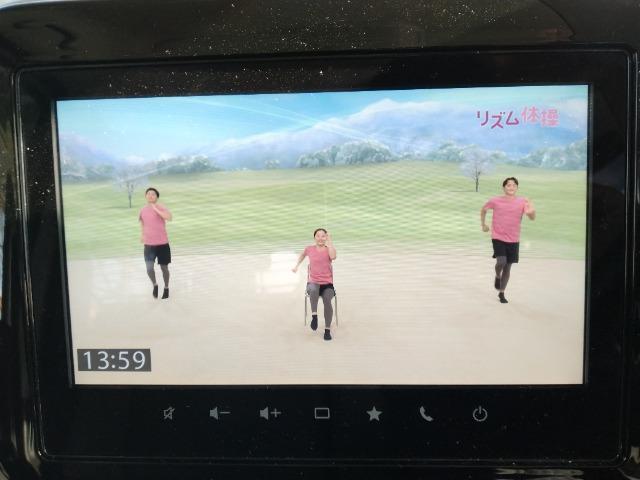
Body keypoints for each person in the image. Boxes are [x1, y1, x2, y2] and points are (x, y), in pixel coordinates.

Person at [480, 177, 536, 303]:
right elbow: (483, 210)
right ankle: (497, 275)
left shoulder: (522, 201)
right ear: (504, 187)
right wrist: (483, 225)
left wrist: (532, 211)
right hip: (498, 236)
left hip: (513, 239)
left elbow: (532, 217)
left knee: (508, 267)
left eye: (514, 185)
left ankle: (502, 293)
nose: (511, 187)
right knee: (501, 261)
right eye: (508, 185)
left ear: (517, 188)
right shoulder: (495, 200)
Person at [292, 228, 337, 341]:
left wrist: (330, 242)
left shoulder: (329, 249)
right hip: (313, 282)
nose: (320, 238)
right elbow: (302, 255)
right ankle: (314, 316)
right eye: (318, 236)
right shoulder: (309, 249)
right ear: (314, 237)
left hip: (327, 284)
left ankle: (327, 330)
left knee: (327, 300)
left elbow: (333, 257)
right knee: (313, 289)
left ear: (326, 237)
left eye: (323, 236)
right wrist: (296, 266)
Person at [139, 187, 172, 299]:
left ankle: (166, 287)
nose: (150, 195)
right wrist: (142, 235)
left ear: (157, 197)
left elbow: (169, 218)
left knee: (164, 268)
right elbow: (143, 223)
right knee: (149, 269)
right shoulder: (143, 210)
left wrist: (155, 209)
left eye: (153, 194)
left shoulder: (161, 207)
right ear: (145, 196)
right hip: (149, 245)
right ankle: (155, 285)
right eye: (148, 194)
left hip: (162, 244)